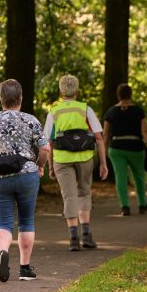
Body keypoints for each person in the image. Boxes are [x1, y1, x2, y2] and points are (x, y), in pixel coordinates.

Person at [0, 79, 50, 281]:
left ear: (2, 99)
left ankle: (3, 251)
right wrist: (40, 165)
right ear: (20, 98)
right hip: (27, 174)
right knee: (26, 220)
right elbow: (45, 148)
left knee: (4, 223)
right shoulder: (30, 120)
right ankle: (25, 268)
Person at [44, 74, 109, 251]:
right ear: (77, 91)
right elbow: (99, 138)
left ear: (60, 91)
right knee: (84, 193)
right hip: (85, 157)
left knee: (69, 196)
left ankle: (73, 238)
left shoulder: (54, 111)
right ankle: (87, 235)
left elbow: (47, 142)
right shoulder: (85, 109)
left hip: (62, 159)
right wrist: (103, 163)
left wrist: (50, 165)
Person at [103, 84, 147, 215]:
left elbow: (106, 134)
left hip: (116, 147)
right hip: (135, 146)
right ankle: (142, 204)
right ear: (130, 95)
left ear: (118, 95)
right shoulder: (138, 111)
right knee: (139, 176)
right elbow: (145, 131)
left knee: (120, 176)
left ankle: (125, 207)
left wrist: (103, 150)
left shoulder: (110, 112)